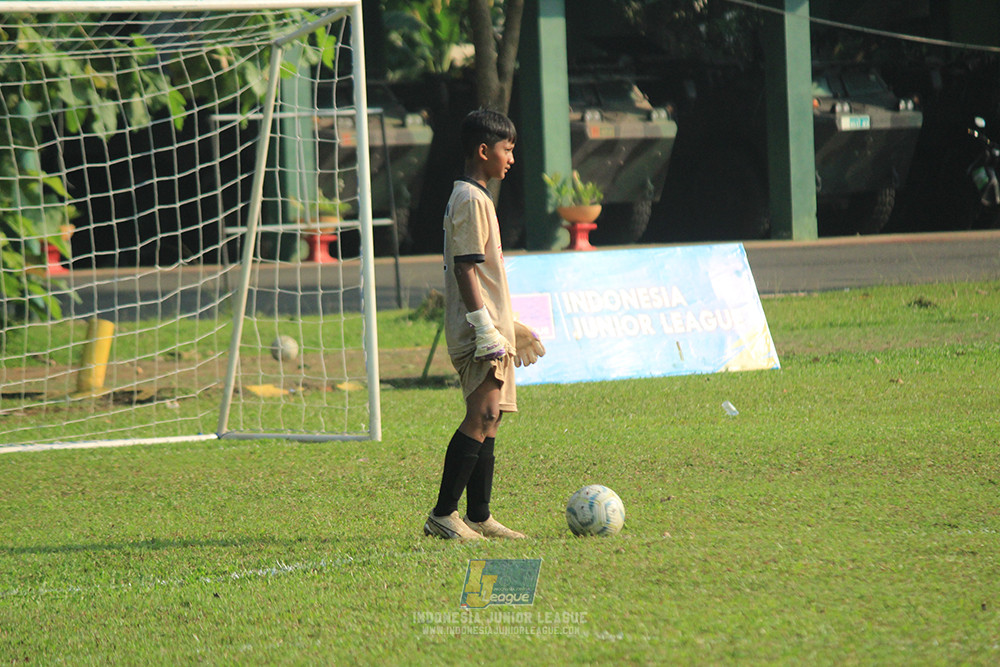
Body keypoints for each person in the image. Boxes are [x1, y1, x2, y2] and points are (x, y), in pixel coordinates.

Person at [424, 109, 545, 540]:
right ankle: (443, 514)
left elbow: (486, 274)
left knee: (492, 419)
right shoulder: (471, 200)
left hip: (490, 327)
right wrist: (485, 328)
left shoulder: (477, 198)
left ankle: (479, 516)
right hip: (478, 332)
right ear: (483, 150)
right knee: (483, 413)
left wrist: (508, 324)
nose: (511, 159)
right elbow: (465, 269)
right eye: (507, 150)